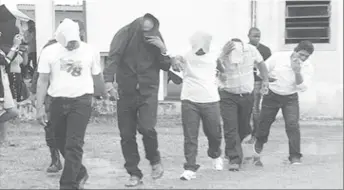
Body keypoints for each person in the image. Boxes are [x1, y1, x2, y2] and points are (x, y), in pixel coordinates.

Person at [36, 18, 107, 189]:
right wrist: (39, 107)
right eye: (68, 43)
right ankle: (80, 172)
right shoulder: (49, 52)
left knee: (74, 144)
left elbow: (97, 76)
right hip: (57, 102)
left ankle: (68, 185)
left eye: (74, 42)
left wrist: (103, 94)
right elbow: (43, 81)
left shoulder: (90, 51)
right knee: (59, 141)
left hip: (81, 102)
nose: (71, 46)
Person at [103, 13, 172, 187]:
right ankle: (134, 173)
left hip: (148, 90)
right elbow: (113, 57)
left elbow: (165, 65)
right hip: (126, 91)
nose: (146, 34)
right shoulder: (124, 34)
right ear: (137, 27)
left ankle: (154, 160)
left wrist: (163, 49)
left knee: (147, 128)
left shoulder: (155, 37)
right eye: (144, 30)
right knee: (126, 134)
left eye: (150, 30)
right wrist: (108, 81)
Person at [30, 20, 87, 174]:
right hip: (52, 95)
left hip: (76, 98)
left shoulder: (83, 48)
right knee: (51, 129)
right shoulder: (50, 47)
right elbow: (39, 73)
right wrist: (36, 94)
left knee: (72, 136)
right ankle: (55, 159)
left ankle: (74, 166)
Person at [171, 31, 223, 181]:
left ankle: (215, 154)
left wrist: (223, 75)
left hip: (211, 99)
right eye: (196, 47)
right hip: (190, 99)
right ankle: (190, 168)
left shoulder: (215, 53)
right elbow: (177, 61)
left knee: (214, 133)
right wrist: (175, 61)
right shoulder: (185, 53)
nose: (199, 50)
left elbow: (222, 68)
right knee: (190, 136)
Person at [253, 41, 314, 165]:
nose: (303, 58)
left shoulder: (307, 66)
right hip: (272, 95)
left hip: (290, 98)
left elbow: (302, 87)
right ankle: (257, 149)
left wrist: (297, 72)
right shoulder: (278, 57)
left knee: (292, 125)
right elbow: (261, 70)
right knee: (264, 124)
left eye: (306, 56)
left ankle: (295, 156)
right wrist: (268, 79)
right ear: (295, 51)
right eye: (301, 54)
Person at [216, 38, 269, 171]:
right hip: (228, 95)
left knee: (244, 127)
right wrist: (223, 54)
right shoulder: (222, 52)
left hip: (246, 95)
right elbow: (215, 66)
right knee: (230, 126)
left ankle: (232, 148)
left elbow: (261, 64)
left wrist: (265, 80)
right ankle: (235, 159)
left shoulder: (251, 50)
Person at [247, 27, 272, 143]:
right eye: (254, 36)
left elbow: (268, 68)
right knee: (247, 109)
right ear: (248, 36)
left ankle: (255, 134)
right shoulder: (244, 49)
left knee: (255, 109)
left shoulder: (265, 50)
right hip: (246, 82)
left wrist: (265, 84)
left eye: (258, 36)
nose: (256, 38)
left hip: (258, 82)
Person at [0, 30, 23, 146]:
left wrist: (16, 47)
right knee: (12, 112)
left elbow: (9, 60)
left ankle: (3, 140)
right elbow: (5, 61)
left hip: (4, 83)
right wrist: (15, 46)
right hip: (1, 85)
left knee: (7, 111)